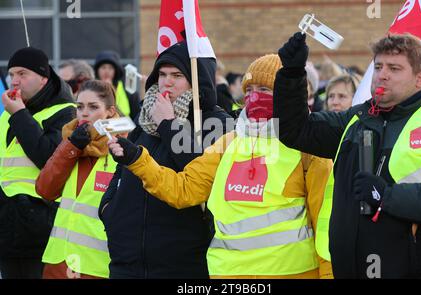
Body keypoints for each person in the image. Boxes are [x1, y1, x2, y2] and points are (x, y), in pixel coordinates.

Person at [108, 54, 333, 279]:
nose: (253, 96)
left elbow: (326, 228)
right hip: (227, 275)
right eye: (248, 89)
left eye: (263, 90)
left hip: (291, 273)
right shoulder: (228, 142)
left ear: (288, 94)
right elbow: (183, 190)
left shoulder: (309, 148)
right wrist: (137, 159)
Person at [274, 32, 421, 278]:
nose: (382, 74)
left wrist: (386, 196)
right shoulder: (357, 117)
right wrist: (292, 75)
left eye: (394, 68)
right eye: (378, 66)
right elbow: (295, 130)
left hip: (420, 269)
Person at [98, 41, 231, 279]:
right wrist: (109, 208)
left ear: (196, 81)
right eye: (162, 74)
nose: (167, 81)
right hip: (126, 262)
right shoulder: (145, 117)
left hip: (182, 263)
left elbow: (198, 176)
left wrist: (169, 125)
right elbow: (125, 168)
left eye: (177, 75)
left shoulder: (217, 123)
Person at [0, 47, 76, 278]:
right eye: (11, 74)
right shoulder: (9, 112)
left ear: (43, 78)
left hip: (42, 224)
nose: (14, 81)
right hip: (7, 224)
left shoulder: (65, 112)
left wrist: (20, 116)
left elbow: (48, 158)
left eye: (22, 74)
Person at [35, 80, 119, 279]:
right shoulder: (70, 144)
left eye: (93, 107)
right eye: (80, 107)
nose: (84, 113)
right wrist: (71, 147)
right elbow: (45, 189)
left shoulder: (122, 149)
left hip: (97, 266)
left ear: (110, 111)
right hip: (58, 263)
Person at [94, 50, 140, 119]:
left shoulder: (128, 91)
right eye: (103, 67)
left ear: (115, 71)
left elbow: (136, 117)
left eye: (110, 68)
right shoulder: (90, 89)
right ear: (97, 70)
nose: (107, 71)